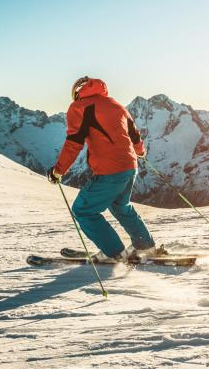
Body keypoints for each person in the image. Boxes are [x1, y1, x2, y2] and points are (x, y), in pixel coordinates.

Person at [47, 76, 166, 263]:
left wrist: (58, 171)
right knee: (121, 206)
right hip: (130, 166)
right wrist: (140, 151)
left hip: (109, 170)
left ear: (77, 92)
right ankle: (145, 246)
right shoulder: (117, 106)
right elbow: (134, 134)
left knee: (83, 210)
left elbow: (74, 142)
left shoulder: (79, 107)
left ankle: (114, 253)